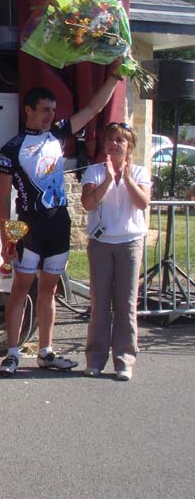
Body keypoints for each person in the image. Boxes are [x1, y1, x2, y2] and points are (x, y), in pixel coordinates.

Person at [0, 65, 123, 376]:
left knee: (49, 290)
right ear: (28, 110)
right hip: (28, 225)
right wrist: (5, 238)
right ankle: (12, 352)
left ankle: (46, 351)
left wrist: (116, 76)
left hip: (59, 223)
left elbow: (94, 107)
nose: (50, 116)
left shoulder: (58, 133)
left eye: (53, 110)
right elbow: (2, 199)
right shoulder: (10, 149)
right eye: (44, 110)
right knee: (20, 289)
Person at [81, 122, 151, 381]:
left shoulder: (141, 173)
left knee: (126, 303)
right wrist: (109, 180)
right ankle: (96, 358)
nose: (114, 144)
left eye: (120, 140)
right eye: (110, 139)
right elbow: (88, 203)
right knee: (99, 303)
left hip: (130, 242)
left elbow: (143, 202)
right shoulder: (94, 172)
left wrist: (127, 178)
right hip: (101, 243)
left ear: (129, 145)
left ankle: (124, 359)